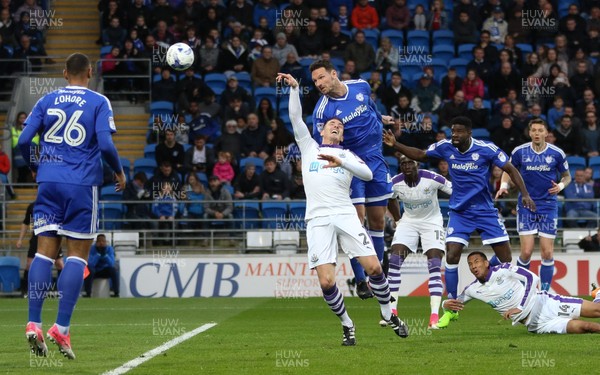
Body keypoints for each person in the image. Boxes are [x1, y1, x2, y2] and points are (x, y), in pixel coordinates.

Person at [277, 72, 407, 344]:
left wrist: (343, 163)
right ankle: (348, 325)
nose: (336, 125)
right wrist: (294, 88)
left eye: (340, 125)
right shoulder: (309, 147)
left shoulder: (349, 155)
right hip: (317, 220)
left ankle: (388, 313)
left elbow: (368, 176)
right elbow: (295, 119)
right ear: (321, 130)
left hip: (345, 215)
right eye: (331, 124)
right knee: (326, 282)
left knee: (374, 269)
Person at [18, 53, 127, 359]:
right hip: (81, 185)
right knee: (77, 255)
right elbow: (105, 145)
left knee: (43, 252)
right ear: (90, 72)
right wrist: (119, 172)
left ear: (65, 73)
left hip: (48, 183)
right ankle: (61, 329)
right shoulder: (99, 101)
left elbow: (25, 140)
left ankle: (33, 322)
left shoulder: (46, 100)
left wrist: (35, 166)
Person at [382, 115, 535, 329]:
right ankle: (451, 310)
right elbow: (422, 154)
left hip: (485, 211)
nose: (454, 135)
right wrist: (396, 144)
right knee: (451, 256)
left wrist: (525, 194)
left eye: (459, 132)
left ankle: (524, 300)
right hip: (459, 212)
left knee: (506, 260)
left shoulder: (486, 149)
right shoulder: (445, 146)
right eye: (453, 131)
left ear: (469, 133)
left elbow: (510, 169)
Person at [310, 59, 395, 299]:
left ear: (333, 74)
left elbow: (370, 106)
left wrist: (381, 118)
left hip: (375, 160)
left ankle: (377, 277)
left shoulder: (361, 86)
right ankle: (360, 280)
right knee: (357, 221)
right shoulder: (322, 110)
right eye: (315, 81)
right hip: (349, 164)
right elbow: (322, 143)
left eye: (321, 78)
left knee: (377, 222)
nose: (318, 84)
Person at [495, 119, 571, 292]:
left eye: (540, 130)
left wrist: (560, 186)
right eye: (534, 130)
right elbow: (508, 170)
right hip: (526, 206)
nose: (537, 133)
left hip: (548, 206)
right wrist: (504, 186)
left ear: (546, 133)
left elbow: (567, 176)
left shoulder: (556, 153)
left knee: (547, 253)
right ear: (529, 133)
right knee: (527, 252)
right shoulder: (520, 152)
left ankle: (544, 292)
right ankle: (524, 291)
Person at [443, 251, 600, 334]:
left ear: (486, 263)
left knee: (597, 310)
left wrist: (520, 306)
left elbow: (533, 278)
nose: (473, 266)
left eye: (476, 262)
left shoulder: (504, 269)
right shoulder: (473, 289)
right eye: (470, 264)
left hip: (545, 304)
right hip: (537, 325)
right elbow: (454, 305)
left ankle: (598, 295)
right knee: (587, 327)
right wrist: (445, 304)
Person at [386, 155, 452, 329]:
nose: (407, 166)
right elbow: (390, 198)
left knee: (434, 264)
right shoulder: (395, 182)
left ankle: (434, 316)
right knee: (394, 261)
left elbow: (455, 191)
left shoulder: (432, 178)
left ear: (417, 164)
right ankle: (392, 312)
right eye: (403, 163)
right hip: (408, 222)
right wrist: (398, 220)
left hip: (432, 222)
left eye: (410, 162)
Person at [17, 202, 64, 295]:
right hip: (37, 237)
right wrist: (20, 239)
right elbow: (27, 223)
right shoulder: (32, 206)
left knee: (60, 264)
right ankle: (25, 290)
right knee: (29, 264)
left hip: (53, 237)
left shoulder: (55, 204)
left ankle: (63, 289)